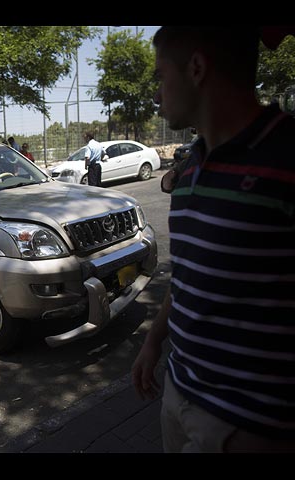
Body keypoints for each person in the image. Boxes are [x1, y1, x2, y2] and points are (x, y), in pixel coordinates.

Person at [131, 26, 295, 453]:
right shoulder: (189, 171)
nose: (155, 95)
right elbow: (188, 277)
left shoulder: (286, 155)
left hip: (247, 424)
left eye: (160, 77)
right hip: (178, 391)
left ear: (197, 68)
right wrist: (153, 340)